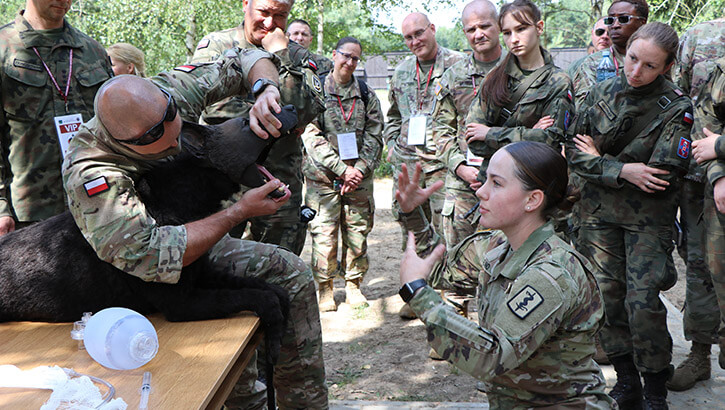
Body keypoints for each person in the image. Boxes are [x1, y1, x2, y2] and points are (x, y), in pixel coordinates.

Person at [61, 51, 328, 409]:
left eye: (179, 134)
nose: (177, 145)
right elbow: (151, 256)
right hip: (136, 255)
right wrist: (237, 213)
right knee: (209, 330)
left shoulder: (161, 95)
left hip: (185, 223)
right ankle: (240, 397)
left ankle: (303, 402)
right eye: (166, 146)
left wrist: (266, 89)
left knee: (288, 271)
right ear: (130, 144)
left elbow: (245, 58)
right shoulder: (92, 172)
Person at [396, 141, 612, 409]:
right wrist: (412, 213)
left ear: (532, 200)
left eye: (496, 183)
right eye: (486, 180)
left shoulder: (551, 274)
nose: (481, 193)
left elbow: (491, 358)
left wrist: (418, 294)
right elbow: (439, 270)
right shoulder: (498, 244)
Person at [566, 22, 692, 409]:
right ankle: (626, 381)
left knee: (643, 305)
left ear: (667, 67)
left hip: (647, 221)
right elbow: (574, 153)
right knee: (607, 299)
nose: (636, 71)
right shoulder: (601, 92)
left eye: (649, 66)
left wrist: (599, 160)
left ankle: (655, 387)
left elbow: (662, 174)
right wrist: (623, 170)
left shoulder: (678, 108)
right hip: (597, 217)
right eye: (633, 58)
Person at [190, 0, 325, 256]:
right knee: (214, 263)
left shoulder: (297, 56)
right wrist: (276, 116)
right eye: (263, 12)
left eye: (280, 15)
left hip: (279, 183)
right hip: (221, 184)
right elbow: (207, 105)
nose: (270, 22)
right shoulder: (216, 45)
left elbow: (304, 110)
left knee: (281, 264)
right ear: (245, 5)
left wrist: (281, 57)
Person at [0, 0, 113, 236]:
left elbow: (112, 130)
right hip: (30, 214)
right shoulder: (4, 49)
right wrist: (1, 208)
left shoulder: (92, 51)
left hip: (96, 205)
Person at [385, 12, 465, 319]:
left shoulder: (459, 65)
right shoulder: (403, 70)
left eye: (420, 33)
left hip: (444, 167)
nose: (415, 41)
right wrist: (392, 145)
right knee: (412, 232)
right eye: (408, 37)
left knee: (448, 234)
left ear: (433, 29)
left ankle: (451, 307)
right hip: (407, 167)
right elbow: (393, 115)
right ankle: (418, 293)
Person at [302, 36, 383, 312]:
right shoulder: (315, 90)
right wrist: (341, 170)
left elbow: (375, 135)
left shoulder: (366, 94)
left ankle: (353, 285)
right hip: (323, 178)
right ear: (334, 55)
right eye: (345, 56)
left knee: (358, 231)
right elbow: (310, 136)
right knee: (324, 234)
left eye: (355, 58)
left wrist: (358, 170)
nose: (349, 62)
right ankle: (325, 288)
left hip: (358, 178)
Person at [667, 18, 725, 392]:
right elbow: (679, 101)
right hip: (694, 178)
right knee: (700, 264)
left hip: (717, 168)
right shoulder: (699, 34)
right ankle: (700, 354)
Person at [464, 0, 574, 185]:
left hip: (531, 184)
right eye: (507, 33)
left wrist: (490, 134)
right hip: (492, 183)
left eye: (521, 29)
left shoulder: (558, 81)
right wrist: (530, 134)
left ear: (539, 27)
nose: (513, 39)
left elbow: (550, 142)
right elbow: (474, 140)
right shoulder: (495, 78)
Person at [433, 0, 504, 251]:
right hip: (463, 187)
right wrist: (460, 167)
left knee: (504, 263)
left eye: (485, 26)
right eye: (471, 29)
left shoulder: (519, 70)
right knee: (460, 267)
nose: (478, 34)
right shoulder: (454, 75)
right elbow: (439, 129)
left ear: (499, 25)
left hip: (509, 184)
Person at [692, 54, 725, 373]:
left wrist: (722, 146)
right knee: (713, 272)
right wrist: (719, 175)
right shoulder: (720, 73)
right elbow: (705, 134)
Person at [570, 0, 648, 108]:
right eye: (610, 20)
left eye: (623, 19)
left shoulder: (655, 60)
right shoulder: (593, 62)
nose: (615, 25)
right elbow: (583, 109)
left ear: (642, 22)